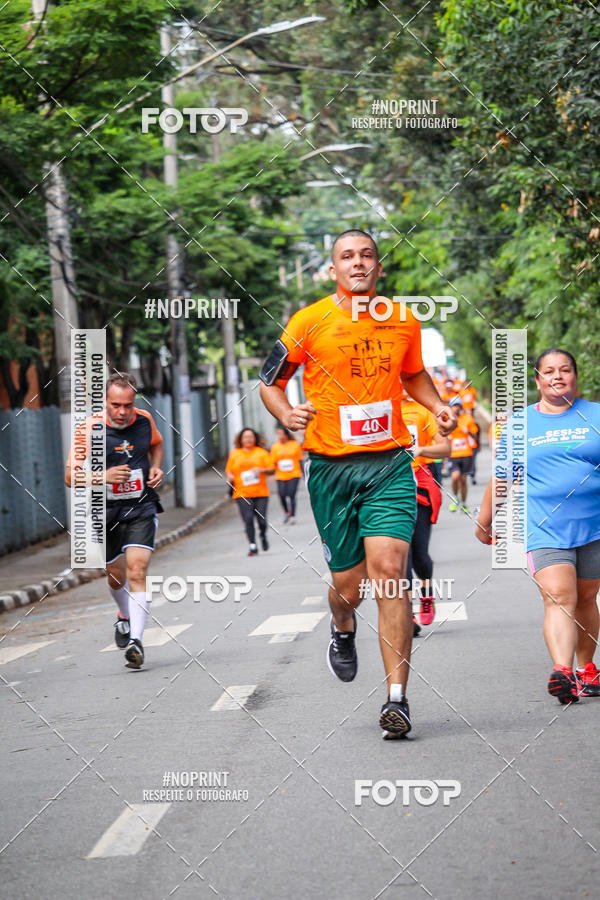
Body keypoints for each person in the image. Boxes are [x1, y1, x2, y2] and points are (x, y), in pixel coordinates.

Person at [259, 229, 457, 738]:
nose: (358, 263)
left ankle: (397, 699)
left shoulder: (403, 320)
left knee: (390, 571)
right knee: (349, 589)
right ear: (333, 270)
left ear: (378, 267)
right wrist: (286, 413)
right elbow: (269, 382)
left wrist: (438, 406)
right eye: (347, 256)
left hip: (389, 464)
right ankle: (342, 626)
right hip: (331, 470)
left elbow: (413, 375)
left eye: (367, 255)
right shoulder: (307, 321)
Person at [476, 349, 600, 703]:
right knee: (560, 596)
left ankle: (586, 668)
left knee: (586, 598)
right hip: (544, 528)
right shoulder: (520, 425)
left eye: (565, 370)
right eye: (549, 371)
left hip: (594, 526)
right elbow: (503, 477)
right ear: (538, 380)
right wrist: (484, 522)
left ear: (575, 376)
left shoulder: (595, 415)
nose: (557, 376)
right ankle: (563, 671)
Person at [65, 373, 164, 669]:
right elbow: (70, 476)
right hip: (106, 511)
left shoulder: (144, 419)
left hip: (141, 506)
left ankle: (136, 642)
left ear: (135, 401)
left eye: (128, 405)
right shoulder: (89, 429)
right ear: (105, 402)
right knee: (116, 576)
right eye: (116, 405)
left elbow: (157, 443)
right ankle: (124, 615)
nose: (122, 412)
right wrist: (102, 476)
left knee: (137, 570)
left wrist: (156, 467)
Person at [401, 391, 451, 632]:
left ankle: (427, 595)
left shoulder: (421, 412)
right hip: (386, 488)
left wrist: (420, 450)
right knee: (402, 555)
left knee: (419, 553)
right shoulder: (374, 410)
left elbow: (444, 448)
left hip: (419, 485)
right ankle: (407, 612)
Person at [225, 428, 275, 556]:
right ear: (241, 439)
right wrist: (229, 476)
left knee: (262, 520)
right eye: (246, 437)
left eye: (251, 437)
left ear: (255, 439)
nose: (248, 439)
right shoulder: (235, 454)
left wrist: (261, 470)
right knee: (248, 518)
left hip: (260, 492)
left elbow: (272, 469)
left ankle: (263, 534)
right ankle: (252, 545)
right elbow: (229, 470)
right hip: (242, 493)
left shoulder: (261, 453)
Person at [447, 397, 478, 513]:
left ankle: (464, 504)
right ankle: (455, 498)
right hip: (453, 454)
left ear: (461, 407)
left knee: (463, 480)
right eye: (454, 406)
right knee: (455, 477)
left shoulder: (467, 418)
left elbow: (475, 435)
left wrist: (468, 431)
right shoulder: (447, 419)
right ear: (450, 407)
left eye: (458, 406)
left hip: (466, 453)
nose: (456, 408)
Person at [270, 424, 303, 523]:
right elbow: (273, 462)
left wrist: (304, 474)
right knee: (282, 494)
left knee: (291, 494)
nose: (279, 436)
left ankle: (292, 515)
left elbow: (300, 460)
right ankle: (286, 512)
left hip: (294, 473)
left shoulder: (295, 444)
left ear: (286, 435)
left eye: (281, 434)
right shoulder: (275, 447)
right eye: (278, 434)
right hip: (281, 475)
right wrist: (271, 474)